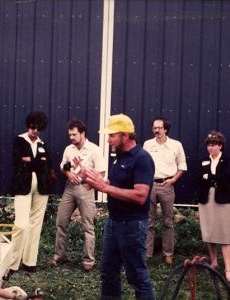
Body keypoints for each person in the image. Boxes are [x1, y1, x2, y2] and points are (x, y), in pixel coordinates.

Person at [76, 114, 155, 299]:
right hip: (114, 223)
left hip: (132, 225)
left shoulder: (142, 159)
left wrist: (105, 187)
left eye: (112, 135)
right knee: (109, 272)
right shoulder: (118, 157)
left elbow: (141, 196)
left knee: (136, 275)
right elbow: (109, 183)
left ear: (124, 136)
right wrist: (87, 174)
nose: (108, 139)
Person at [48, 118, 106, 271]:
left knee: (88, 225)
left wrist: (89, 184)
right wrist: (67, 173)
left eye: (74, 135)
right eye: (70, 135)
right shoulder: (69, 149)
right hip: (69, 188)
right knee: (61, 221)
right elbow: (62, 167)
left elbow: (101, 172)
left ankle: (88, 260)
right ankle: (60, 256)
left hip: (85, 189)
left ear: (83, 134)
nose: (71, 138)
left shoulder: (94, 149)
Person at [6, 111, 53, 278]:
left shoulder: (42, 143)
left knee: (36, 224)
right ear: (28, 126)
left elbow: (47, 163)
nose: (35, 131)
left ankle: (29, 261)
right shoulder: (19, 140)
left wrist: (31, 161)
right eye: (32, 127)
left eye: (38, 128)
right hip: (22, 186)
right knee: (21, 224)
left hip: (41, 187)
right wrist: (38, 162)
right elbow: (17, 159)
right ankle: (12, 263)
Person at [143, 117, 187, 265]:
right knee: (149, 221)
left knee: (168, 221)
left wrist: (173, 180)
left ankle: (168, 253)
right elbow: (142, 163)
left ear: (166, 129)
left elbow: (182, 165)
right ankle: (147, 253)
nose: (156, 130)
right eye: (154, 128)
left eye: (159, 128)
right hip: (150, 185)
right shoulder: (148, 145)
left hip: (167, 185)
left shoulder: (176, 145)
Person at [196, 131, 230, 282]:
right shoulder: (203, 160)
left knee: (224, 234)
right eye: (209, 145)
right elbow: (198, 178)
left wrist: (209, 178)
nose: (210, 148)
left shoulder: (227, 160)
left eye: (214, 145)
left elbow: (226, 178)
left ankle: (228, 268)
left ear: (220, 146)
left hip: (223, 199)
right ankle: (214, 262)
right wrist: (212, 179)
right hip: (206, 198)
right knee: (209, 231)